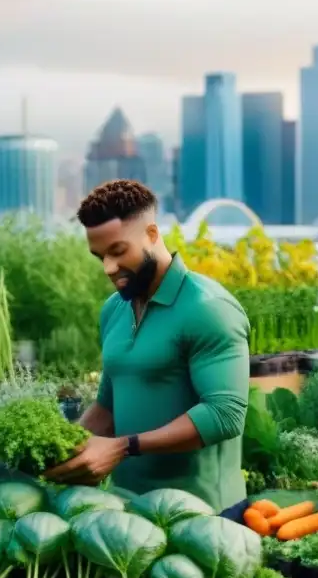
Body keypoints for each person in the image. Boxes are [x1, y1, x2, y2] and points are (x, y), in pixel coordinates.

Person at [43, 179, 250, 512]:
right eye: (100, 257)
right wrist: (62, 449)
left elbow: (224, 415)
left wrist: (123, 447)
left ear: (152, 235)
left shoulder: (208, 309)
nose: (108, 268)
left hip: (204, 515)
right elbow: (108, 408)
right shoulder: (114, 309)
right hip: (127, 509)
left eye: (118, 251)